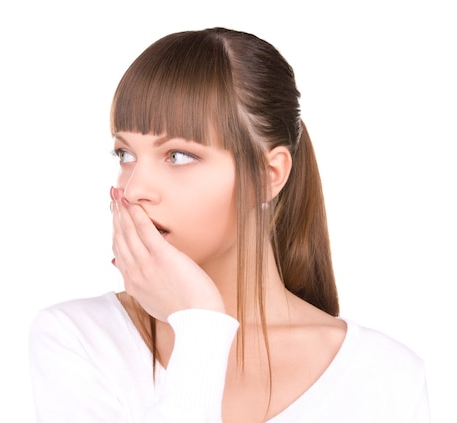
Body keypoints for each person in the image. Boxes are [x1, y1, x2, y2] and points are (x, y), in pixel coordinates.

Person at [28, 27, 430, 422]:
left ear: (268, 175)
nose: (133, 190)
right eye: (125, 154)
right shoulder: (79, 340)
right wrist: (201, 325)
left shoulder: (384, 376)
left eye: (178, 156)